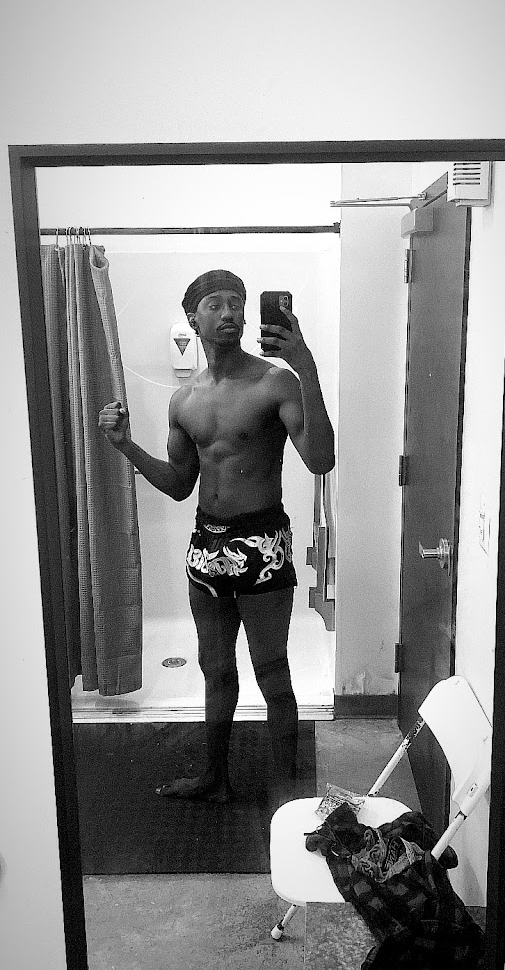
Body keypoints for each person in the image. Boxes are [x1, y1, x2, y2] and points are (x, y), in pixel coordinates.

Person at [98, 269, 335, 803]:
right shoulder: (183, 400)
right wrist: (126, 446)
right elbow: (179, 485)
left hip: (262, 545)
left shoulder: (276, 382)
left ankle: (288, 793)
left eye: (237, 303)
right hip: (206, 547)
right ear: (193, 318)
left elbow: (321, 459)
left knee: (272, 670)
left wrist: (305, 365)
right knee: (216, 669)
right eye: (215, 304)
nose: (229, 313)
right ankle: (215, 778)